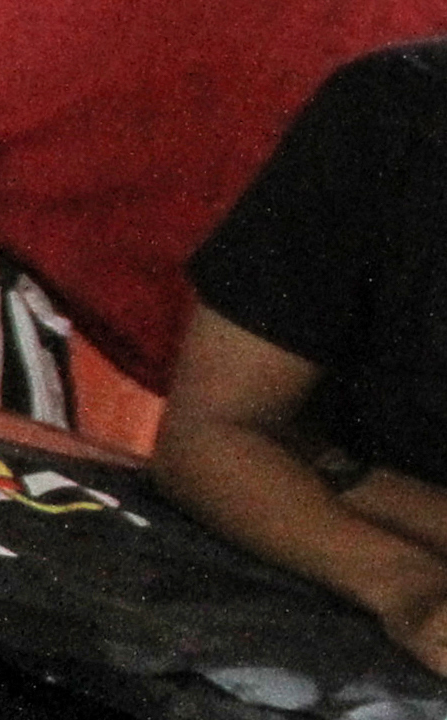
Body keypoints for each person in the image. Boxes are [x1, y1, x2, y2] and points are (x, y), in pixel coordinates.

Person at [153, 37, 447, 679]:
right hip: (327, 583)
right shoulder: (395, 112)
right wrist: (410, 587)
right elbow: (205, 437)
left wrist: (360, 483)